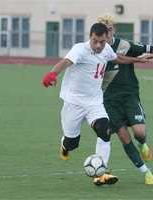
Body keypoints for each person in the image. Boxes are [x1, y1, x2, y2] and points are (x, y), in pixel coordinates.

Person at [42, 23, 149, 183]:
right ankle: (65, 145)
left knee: (104, 130)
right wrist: (52, 74)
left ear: (106, 39)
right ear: (90, 37)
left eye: (102, 42)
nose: (98, 45)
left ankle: (102, 172)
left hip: (94, 102)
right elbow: (65, 62)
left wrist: (137, 60)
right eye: (95, 41)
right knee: (72, 143)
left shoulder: (106, 49)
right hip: (74, 102)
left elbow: (117, 57)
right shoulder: (79, 49)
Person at [93, 14, 153, 186]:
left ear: (114, 29)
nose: (107, 32)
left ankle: (143, 144)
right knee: (124, 137)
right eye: (103, 29)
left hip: (129, 96)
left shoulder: (125, 45)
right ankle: (147, 172)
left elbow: (148, 48)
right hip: (109, 101)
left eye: (109, 28)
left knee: (139, 133)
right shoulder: (95, 51)